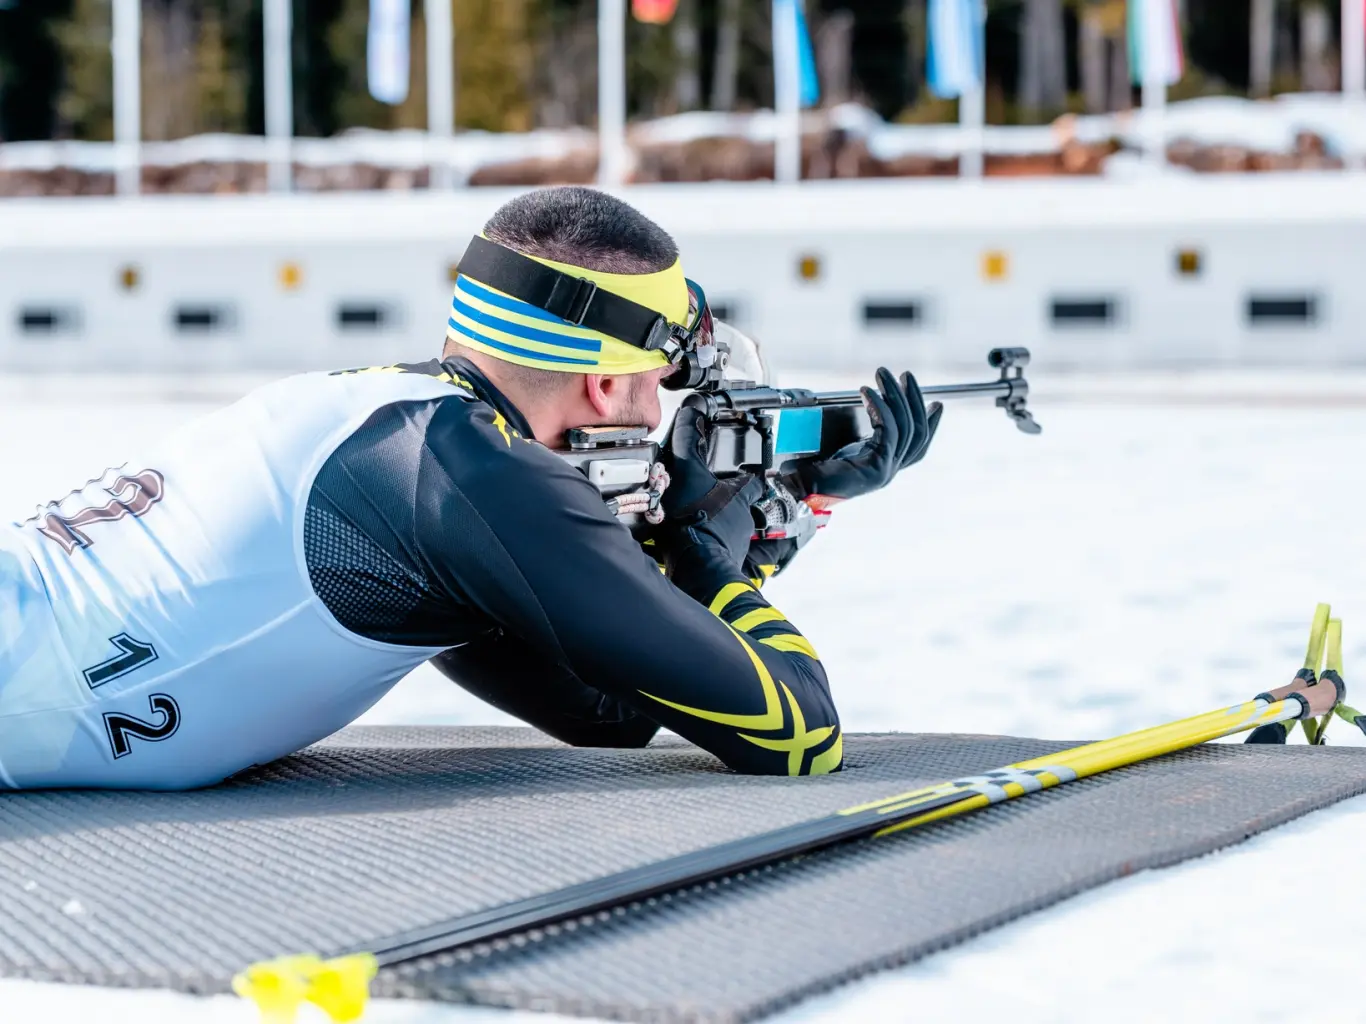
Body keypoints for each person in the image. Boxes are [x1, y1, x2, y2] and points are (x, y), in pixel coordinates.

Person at [0, 186, 939, 790]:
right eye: (662, 378)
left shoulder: (398, 425)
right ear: (608, 382)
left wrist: (782, 517)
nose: (660, 407)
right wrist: (699, 544)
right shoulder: (478, 473)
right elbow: (797, 734)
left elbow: (604, 709)